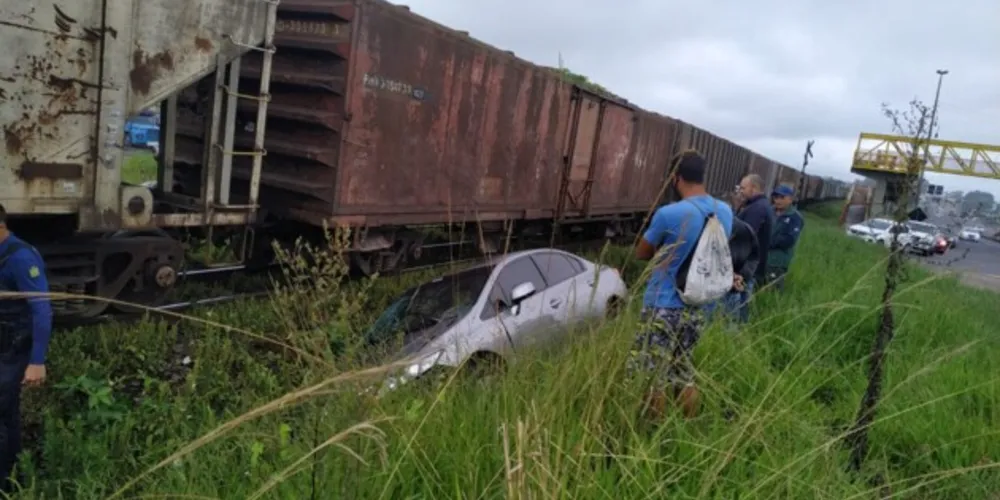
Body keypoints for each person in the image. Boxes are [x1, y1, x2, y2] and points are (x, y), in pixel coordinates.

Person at [631, 151, 733, 420]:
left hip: (663, 304)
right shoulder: (724, 211)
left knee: (655, 375)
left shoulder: (670, 213)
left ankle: (652, 432)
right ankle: (686, 426)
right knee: (684, 372)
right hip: (699, 304)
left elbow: (641, 253)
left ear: (676, 178)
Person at [0, 204, 52, 494]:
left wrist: (36, 361)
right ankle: (13, 474)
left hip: (13, 345)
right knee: (6, 413)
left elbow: (41, 309)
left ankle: (4, 481)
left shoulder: (21, 257)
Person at [735, 174, 775, 291]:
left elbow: (744, 237)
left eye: (743, 188)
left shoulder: (758, 209)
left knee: (737, 303)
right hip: (750, 267)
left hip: (746, 269)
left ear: (754, 188)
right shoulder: (759, 205)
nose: (740, 191)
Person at [719, 217, 760, 325]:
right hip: (706, 290)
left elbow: (753, 257)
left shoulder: (742, 229)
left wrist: (742, 275)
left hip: (731, 290)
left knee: (728, 327)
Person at [766, 185, 805, 290]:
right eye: (776, 197)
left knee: (773, 290)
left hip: (777, 261)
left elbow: (789, 240)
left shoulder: (795, 217)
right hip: (761, 258)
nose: (778, 200)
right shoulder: (768, 211)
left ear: (790, 199)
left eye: (782, 197)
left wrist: (766, 242)